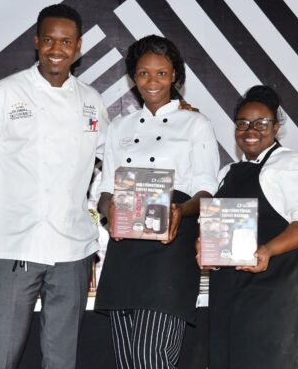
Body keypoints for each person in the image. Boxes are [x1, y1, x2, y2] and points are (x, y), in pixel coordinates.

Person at [0, 4, 109, 369]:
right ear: (36, 42)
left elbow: (111, 159)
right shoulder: (4, 94)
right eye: (49, 40)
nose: (56, 49)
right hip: (15, 246)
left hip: (73, 250)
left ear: (79, 47)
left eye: (66, 41)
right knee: (3, 354)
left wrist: (97, 205)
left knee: (62, 357)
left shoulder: (91, 100)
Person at [94, 35, 220, 369]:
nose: (153, 81)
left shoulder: (196, 123)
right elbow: (106, 190)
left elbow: (207, 192)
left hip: (170, 247)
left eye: (162, 74)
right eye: (144, 73)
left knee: (151, 356)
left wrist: (180, 210)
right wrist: (111, 214)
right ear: (133, 77)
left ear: (175, 77)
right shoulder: (119, 126)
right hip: (124, 252)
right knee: (127, 359)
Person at [201, 85, 298, 369]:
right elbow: (217, 228)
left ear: (276, 127)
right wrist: (205, 244)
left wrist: (267, 250)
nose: (250, 130)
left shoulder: (293, 164)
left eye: (261, 123)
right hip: (227, 290)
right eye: (242, 123)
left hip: (275, 288)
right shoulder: (227, 173)